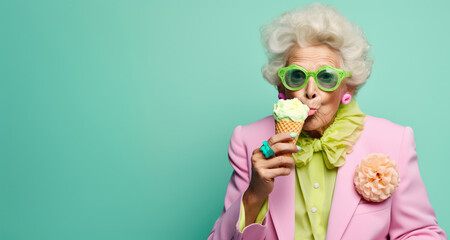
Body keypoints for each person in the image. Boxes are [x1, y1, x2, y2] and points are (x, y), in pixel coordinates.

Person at [208, 3, 447, 240]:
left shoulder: (394, 141)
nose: (310, 91)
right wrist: (254, 195)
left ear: (348, 86)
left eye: (326, 77)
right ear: (281, 86)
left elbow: (421, 233)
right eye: (297, 76)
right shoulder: (248, 140)